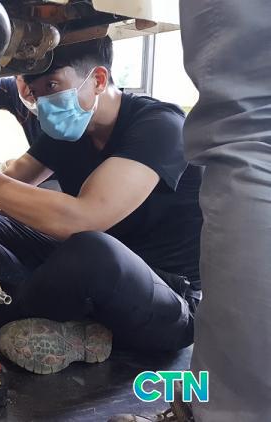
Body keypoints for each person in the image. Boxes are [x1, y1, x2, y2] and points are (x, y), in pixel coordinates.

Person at [0, 37, 203, 375]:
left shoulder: (160, 126)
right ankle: (51, 319)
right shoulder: (71, 132)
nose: (43, 102)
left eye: (52, 86)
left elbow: (86, 217)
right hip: (87, 276)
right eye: (35, 91)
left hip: (166, 302)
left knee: (91, 249)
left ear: (98, 80)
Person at [112, 1, 271, 421]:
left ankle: (226, 410)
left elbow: (84, 216)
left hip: (179, 295)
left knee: (250, 125)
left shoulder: (154, 124)